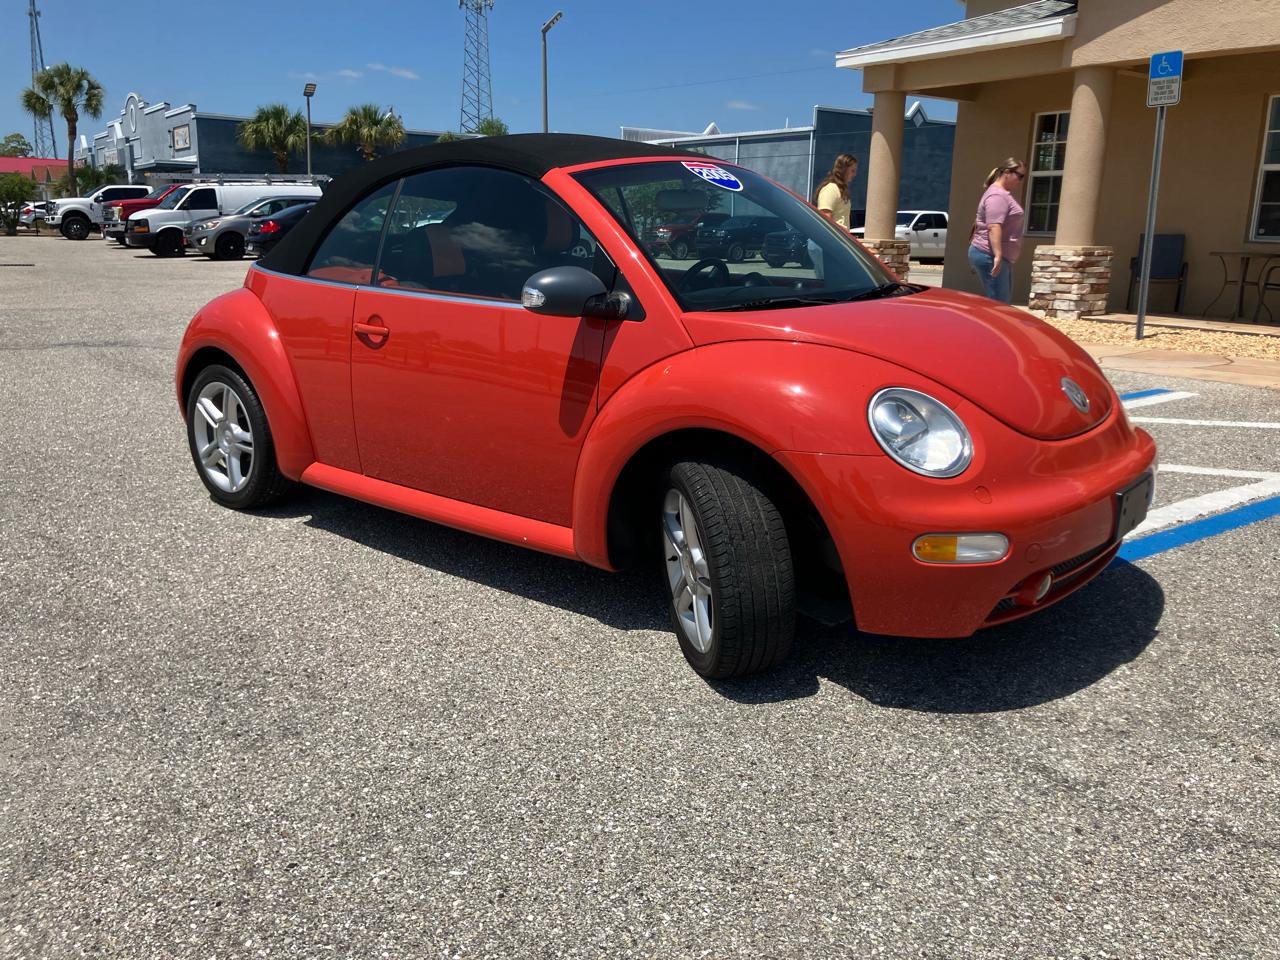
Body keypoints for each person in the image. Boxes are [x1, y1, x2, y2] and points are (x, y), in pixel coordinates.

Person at [967, 158, 1026, 304]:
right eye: (1019, 176)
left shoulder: (1001, 194)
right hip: (990, 255)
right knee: (999, 304)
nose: (1020, 180)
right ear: (1007, 172)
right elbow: (993, 226)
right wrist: (998, 256)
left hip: (996, 256)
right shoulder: (997, 195)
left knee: (1001, 303)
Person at [808, 154, 858, 279]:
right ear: (843, 169)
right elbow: (825, 219)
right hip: (827, 244)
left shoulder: (841, 190)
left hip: (836, 243)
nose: (854, 174)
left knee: (836, 280)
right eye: (852, 170)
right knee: (830, 281)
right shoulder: (830, 189)